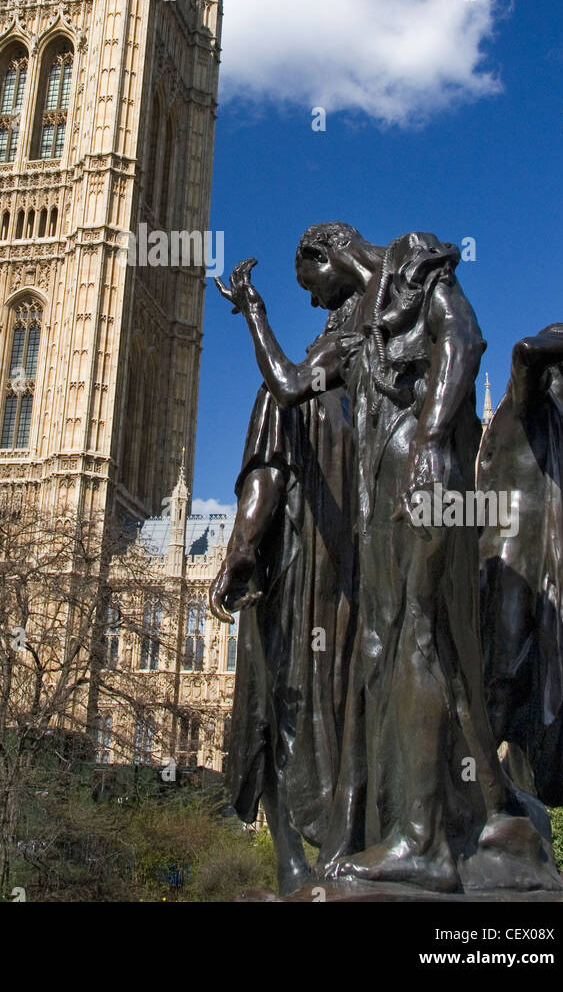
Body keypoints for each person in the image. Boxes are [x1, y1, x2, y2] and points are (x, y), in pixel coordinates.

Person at [217, 223, 560, 893]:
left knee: (415, 642)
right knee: (410, 648)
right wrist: (255, 316)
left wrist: (432, 437)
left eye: (310, 286)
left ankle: (422, 841)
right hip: (385, 493)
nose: (315, 302)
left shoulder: (411, 259)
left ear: (326, 253)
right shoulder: (351, 331)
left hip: (423, 474)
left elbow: (465, 338)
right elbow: (288, 385)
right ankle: (498, 811)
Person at [209, 288, 357, 894]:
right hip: (351, 588)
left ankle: (296, 862)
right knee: (344, 710)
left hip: (292, 575)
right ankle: (343, 852)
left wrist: (238, 557)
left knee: (276, 712)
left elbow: (264, 485)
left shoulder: (286, 396)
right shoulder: (366, 403)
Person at [479, 324, 563, 879]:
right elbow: (526, 352)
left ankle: (509, 797)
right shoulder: (524, 407)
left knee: (539, 691)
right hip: (510, 564)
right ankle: (476, 795)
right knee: (501, 677)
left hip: (555, 578)